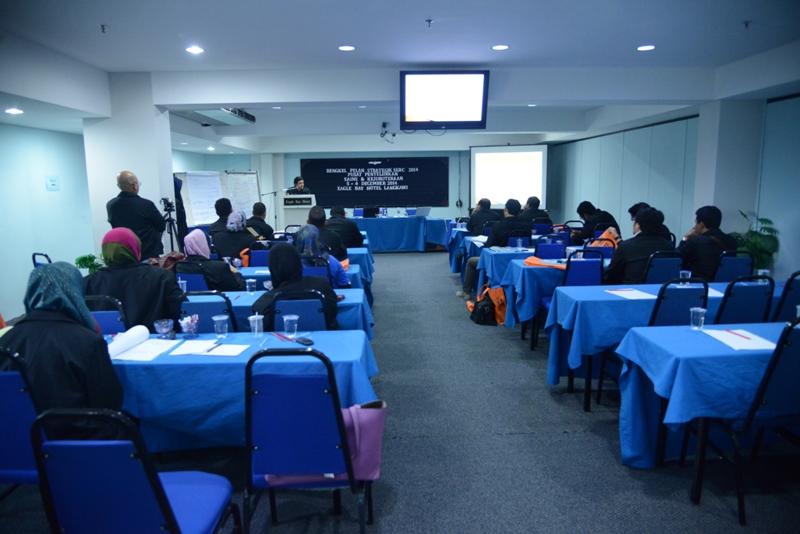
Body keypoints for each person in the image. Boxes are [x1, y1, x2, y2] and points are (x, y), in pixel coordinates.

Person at [0, 262, 123, 437]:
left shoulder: (7, 341)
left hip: (19, 438)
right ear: (75, 292)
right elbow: (110, 402)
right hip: (81, 438)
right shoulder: (88, 341)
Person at [84, 228, 183, 333]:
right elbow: (181, 314)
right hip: (156, 340)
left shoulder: (89, 282)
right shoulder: (162, 277)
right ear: (136, 249)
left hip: (107, 342)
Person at [251, 243, 339, 331]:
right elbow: (332, 312)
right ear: (298, 262)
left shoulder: (266, 302)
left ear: (272, 268)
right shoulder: (322, 284)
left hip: (282, 339)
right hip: (325, 336)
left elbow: (263, 324)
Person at [458, 199, 529, 299]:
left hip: (498, 261)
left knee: (471, 261)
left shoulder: (498, 226)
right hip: (521, 262)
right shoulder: (526, 226)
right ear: (519, 211)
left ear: (505, 209)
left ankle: (466, 292)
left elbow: (489, 247)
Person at [603, 208, 675, 284]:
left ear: (637, 225)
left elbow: (610, 275)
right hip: (660, 288)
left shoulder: (626, 246)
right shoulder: (668, 246)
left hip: (631, 289)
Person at [106, 170, 166, 259]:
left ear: (118, 186)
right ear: (135, 186)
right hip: (147, 254)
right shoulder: (146, 205)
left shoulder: (110, 205)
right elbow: (161, 226)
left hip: (125, 253)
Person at [677, 205, 738, 281]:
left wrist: (685, 238)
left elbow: (676, 260)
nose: (694, 227)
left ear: (701, 225)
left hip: (700, 284)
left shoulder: (695, 242)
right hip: (724, 285)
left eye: (696, 223)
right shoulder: (731, 241)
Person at [176, 229, 245, 291]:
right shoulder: (219, 267)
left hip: (187, 301)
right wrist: (236, 273)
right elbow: (238, 289)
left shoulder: (178, 267)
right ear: (205, 245)